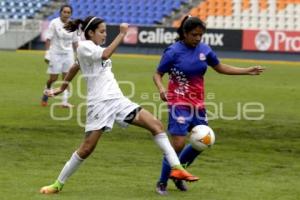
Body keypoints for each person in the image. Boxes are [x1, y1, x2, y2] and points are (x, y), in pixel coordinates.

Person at [40, 16, 199, 195]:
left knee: (156, 125)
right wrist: (122, 34)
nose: (105, 34)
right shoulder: (85, 47)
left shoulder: (93, 49)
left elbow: (75, 67)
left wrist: (62, 87)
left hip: (117, 100)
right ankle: (58, 184)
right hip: (100, 104)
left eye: (106, 31)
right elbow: (104, 55)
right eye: (101, 31)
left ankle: (176, 167)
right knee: (87, 148)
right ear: (90, 32)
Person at [153, 16, 265, 195]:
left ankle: (178, 174)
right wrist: (161, 89)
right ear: (185, 33)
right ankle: (162, 182)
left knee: (203, 142)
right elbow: (158, 74)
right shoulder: (173, 51)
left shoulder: (204, 49)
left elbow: (220, 67)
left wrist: (247, 71)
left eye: (201, 35)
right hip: (178, 102)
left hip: (198, 104)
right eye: (194, 35)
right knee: (178, 144)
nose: (198, 38)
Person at [41, 4, 78, 108]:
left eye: (68, 12)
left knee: (67, 78)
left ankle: (64, 102)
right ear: (60, 12)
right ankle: (46, 93)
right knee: (53, 79)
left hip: (68, 54)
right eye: (64, 12)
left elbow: (75, 42)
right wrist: (47, 53)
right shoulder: (54, 23)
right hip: (55, 53)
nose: (66, 14)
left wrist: (79, 54)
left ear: (71, 14)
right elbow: (48, 39)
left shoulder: (73, 24)